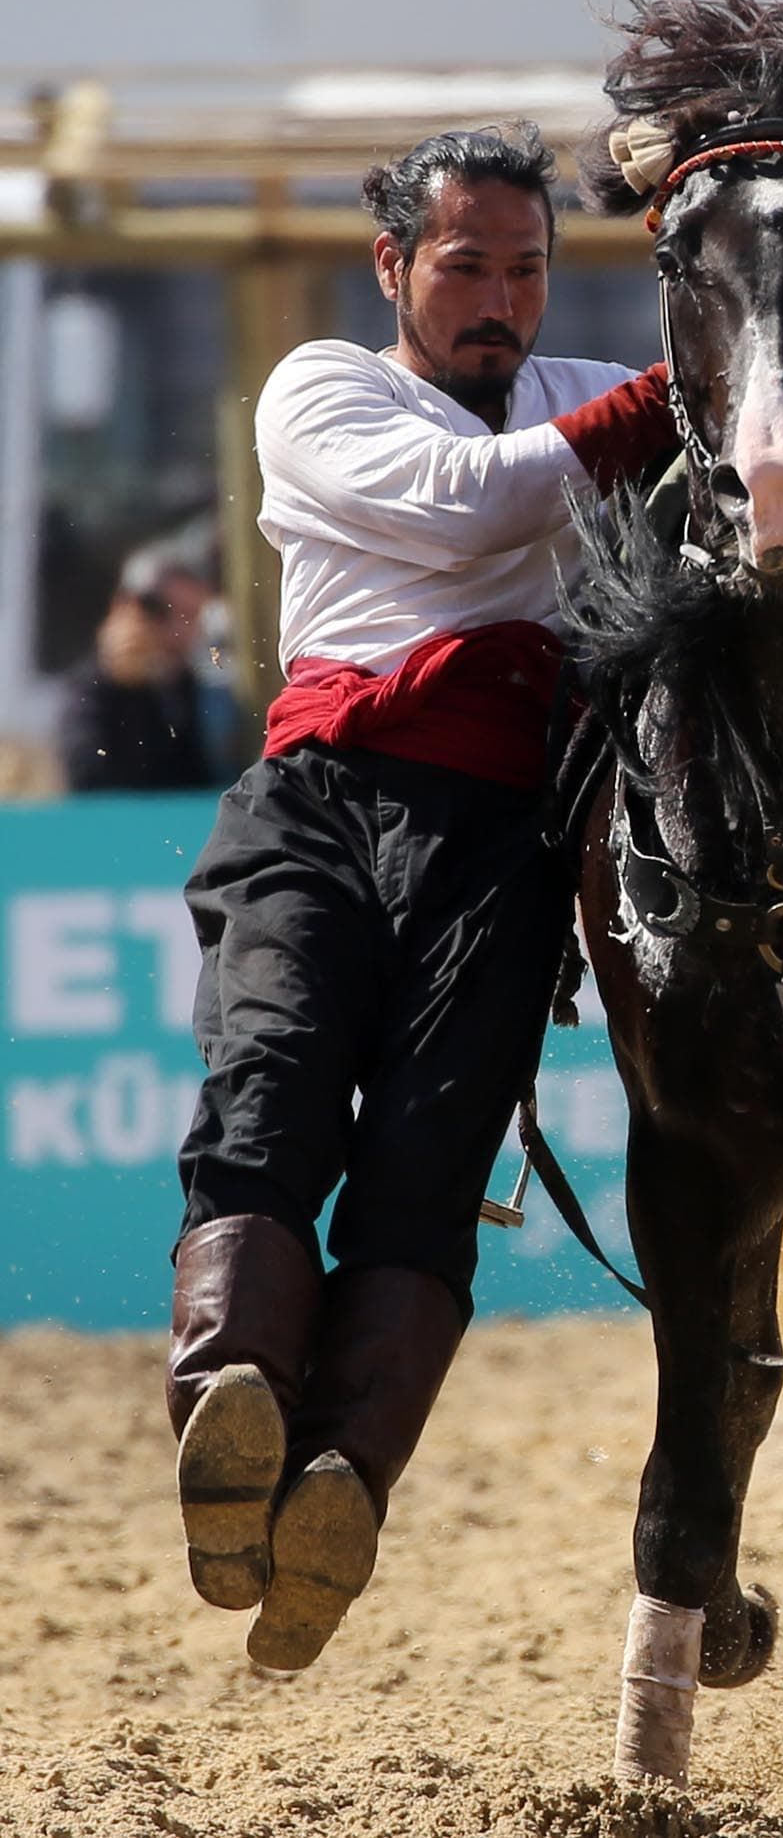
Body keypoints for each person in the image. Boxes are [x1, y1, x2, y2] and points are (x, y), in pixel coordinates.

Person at [165, 125, 676, 1673]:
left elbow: (755, 399)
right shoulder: (323, 387)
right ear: (390, 265)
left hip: (508, 828)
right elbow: (474, 504)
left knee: (430, 1160)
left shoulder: (566, 390)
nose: (500, 300)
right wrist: (674, 393)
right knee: (266, 1095)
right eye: (465, 265)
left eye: (527, 267)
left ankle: (339, 1482)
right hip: (319, 800)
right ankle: (229, 1404)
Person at [57, 552, 220, 791]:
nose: (179, 630)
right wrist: (126, 685)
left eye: (190, 616)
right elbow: (88, 780)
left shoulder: (201, 689)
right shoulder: (88, 689)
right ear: (124, 610)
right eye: (161, 613)